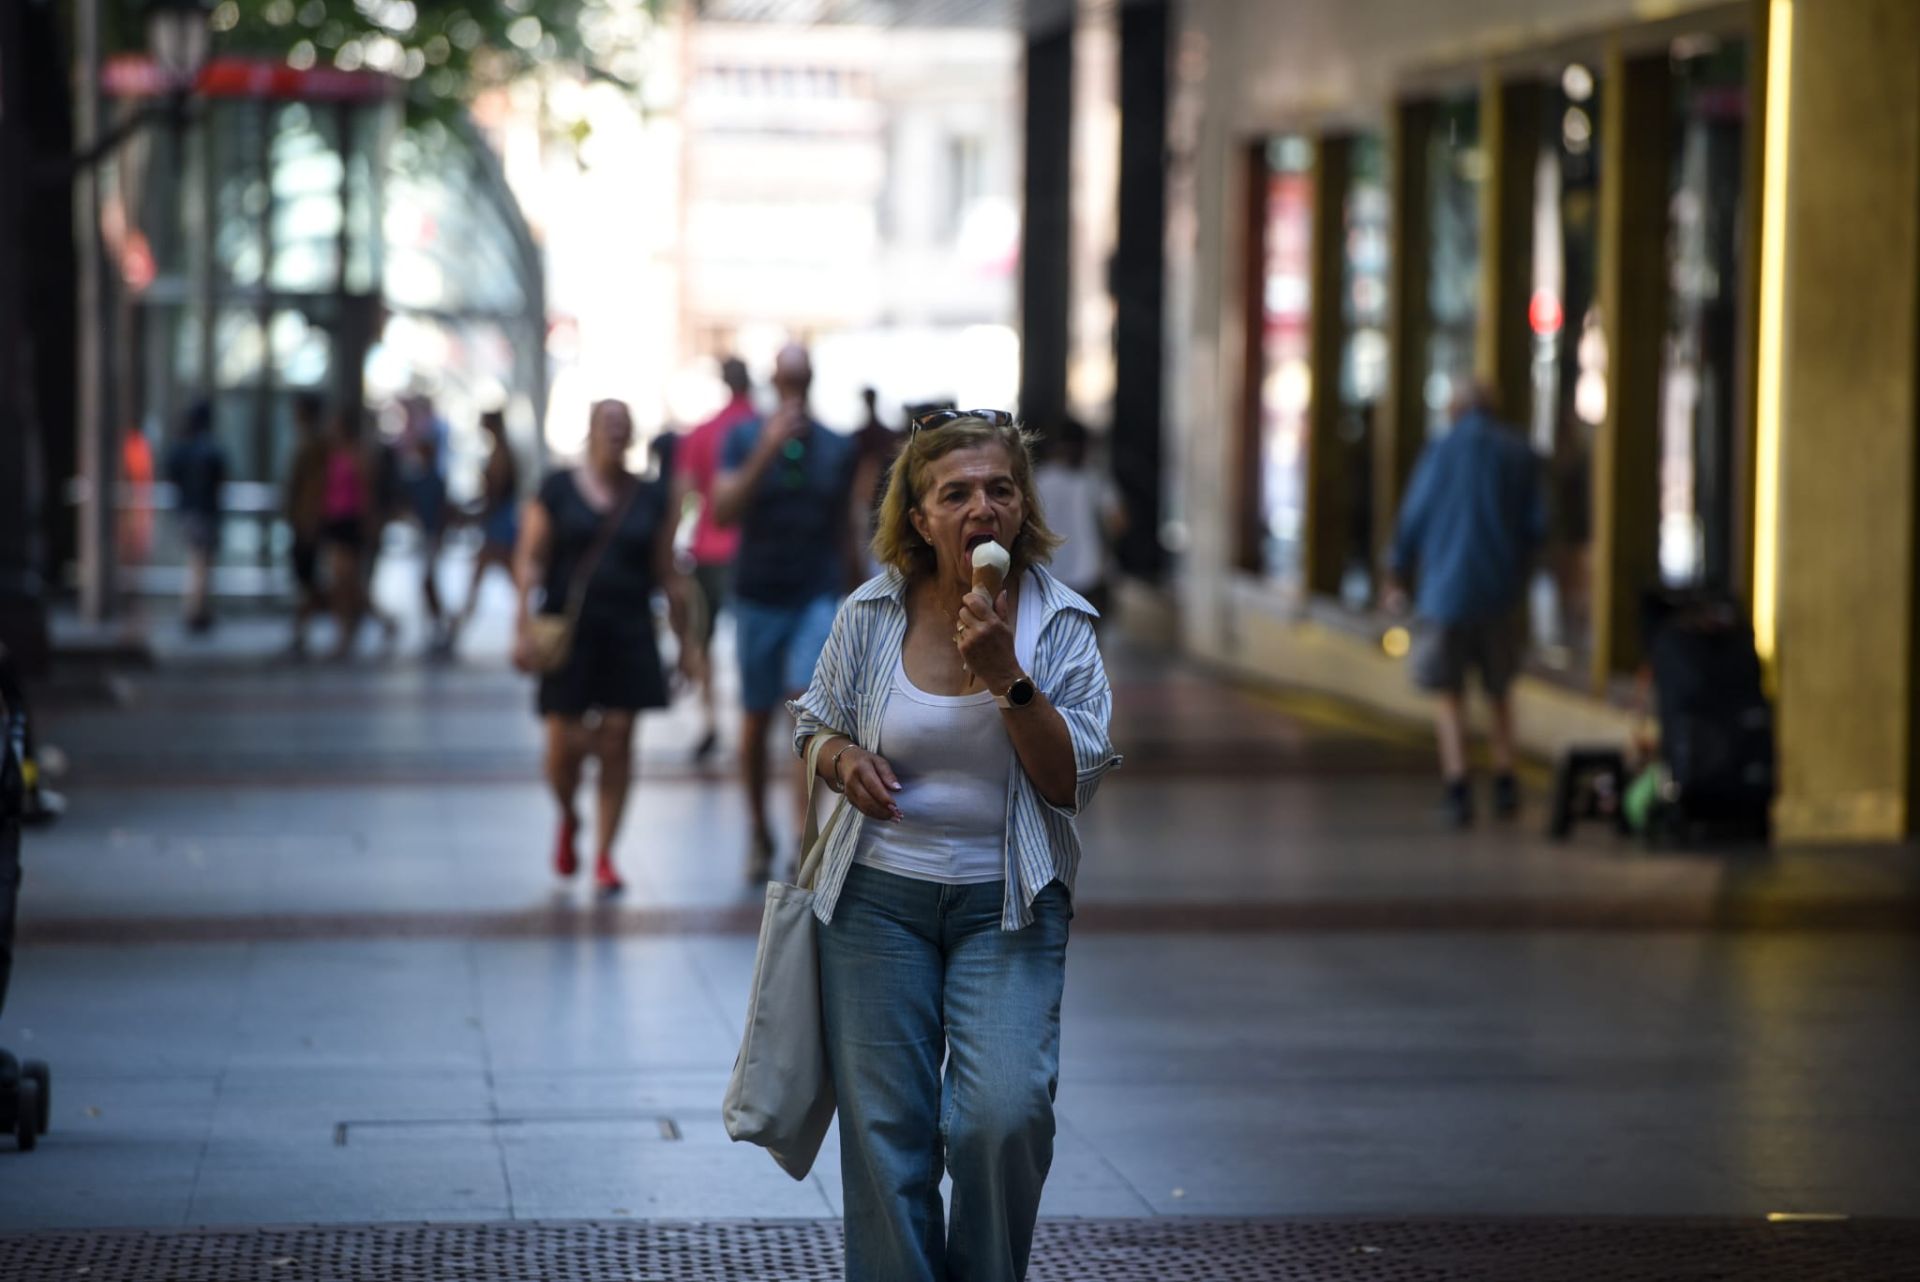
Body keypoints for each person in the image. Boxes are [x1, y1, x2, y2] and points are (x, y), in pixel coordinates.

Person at [790, 409, 1120, 1282]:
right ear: (920, 517)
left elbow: (1069, 783)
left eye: (1000, 490)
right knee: (888, 1141)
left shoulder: (1061, 626)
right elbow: (813, 723)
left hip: (1006, 904)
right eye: (958, 493)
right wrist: (839, 756)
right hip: (874, 906)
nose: (983, 507)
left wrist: (1010, 676)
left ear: (1023, 509)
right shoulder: (871, 612)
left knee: (1000, 1118)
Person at [513, 400, 687, 897]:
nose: (615, 434)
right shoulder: (557, 488)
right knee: (560, 747)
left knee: (617, 740)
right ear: (589, 431)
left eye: (623, 427)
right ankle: (569, 815)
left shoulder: (651, 496)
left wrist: (686, 642)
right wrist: (520, 626)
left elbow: (666, 571)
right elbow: (531, 559)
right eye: (607, 425)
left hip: (629, 628)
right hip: (568, 632)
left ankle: (607, 854)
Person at [712, 343, 861, 880]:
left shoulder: (835, 446)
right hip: (757, 596)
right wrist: (767, 449)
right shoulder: (744, 437)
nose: (793, 387)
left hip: (815, 595)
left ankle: (806, 836)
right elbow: (723, 510)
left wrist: (862, 595)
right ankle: (757, 830)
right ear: (773, 381)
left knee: (805, 710)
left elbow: (847, 526)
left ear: (812, 379)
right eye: (785, 378)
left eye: (801, 378)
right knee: (754, 719)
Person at [1385, 387, 1545, 828]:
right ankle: (1506, 780)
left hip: (1445, 594)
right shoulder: (1519, 454)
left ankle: (1458, 790)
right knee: (1499, 691)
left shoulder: (1440, 450)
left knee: (1449, 695)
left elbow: (1413, 516)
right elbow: (1538, 525)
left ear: (1455, 412)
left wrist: (1396, 569)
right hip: (1499, 594)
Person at [671, 356, 755, 762]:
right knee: (751, 639)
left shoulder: (701, 432)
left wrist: (674, 539)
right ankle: (753, 720)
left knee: (701, 639)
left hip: (706, 550)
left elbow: (685, 495)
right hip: (753, 548)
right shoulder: (763, 428)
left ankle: (709, 721)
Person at [1032, 418, 1126, 622]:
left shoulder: (1038, 481)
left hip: (1047, 576)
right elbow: (1118, 522)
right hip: (1088, 575)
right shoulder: (1094, 479)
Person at [451, 409, 520, 647]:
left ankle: (456, 630)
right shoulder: (500, 451)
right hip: (498, 523)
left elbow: (495, 493)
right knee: (489, 578)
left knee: (509, 579)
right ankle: (456, 630)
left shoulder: (501, 454)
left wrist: (478, 512)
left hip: (500, 524)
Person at [317, 412, 379, 660]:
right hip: (335, 520)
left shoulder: (357, 455)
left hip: (351, 522)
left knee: (345, 581)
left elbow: (366, 491)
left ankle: (348, 630)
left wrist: (368, 522)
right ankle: (359, 625)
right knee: (343, 581)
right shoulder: (332, 455)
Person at [164, 400, 228, 633]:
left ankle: (197, 609)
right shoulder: (209, 448)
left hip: (191, 510)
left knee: (197, 561)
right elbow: (221, 477)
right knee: (200, 562)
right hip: (204, 510)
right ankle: (195, 611)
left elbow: (172, 471)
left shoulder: (185, 447)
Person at [397, 394, 452, 653]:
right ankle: (439, 626)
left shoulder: (434, 481)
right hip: (425, 533)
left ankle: (442, 626)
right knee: (427, 582)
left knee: (429, 581)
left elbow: (440, 510)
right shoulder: (420, 479)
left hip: (431, 534)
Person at [284, 392, 332, 657]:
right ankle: (300, 629)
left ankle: (301, 629)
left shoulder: (314, 445)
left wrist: (310, 520)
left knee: (309, 581)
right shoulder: (308, 442)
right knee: (306, 581)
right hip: (302, 520)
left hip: (307, 521)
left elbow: (314, 487)